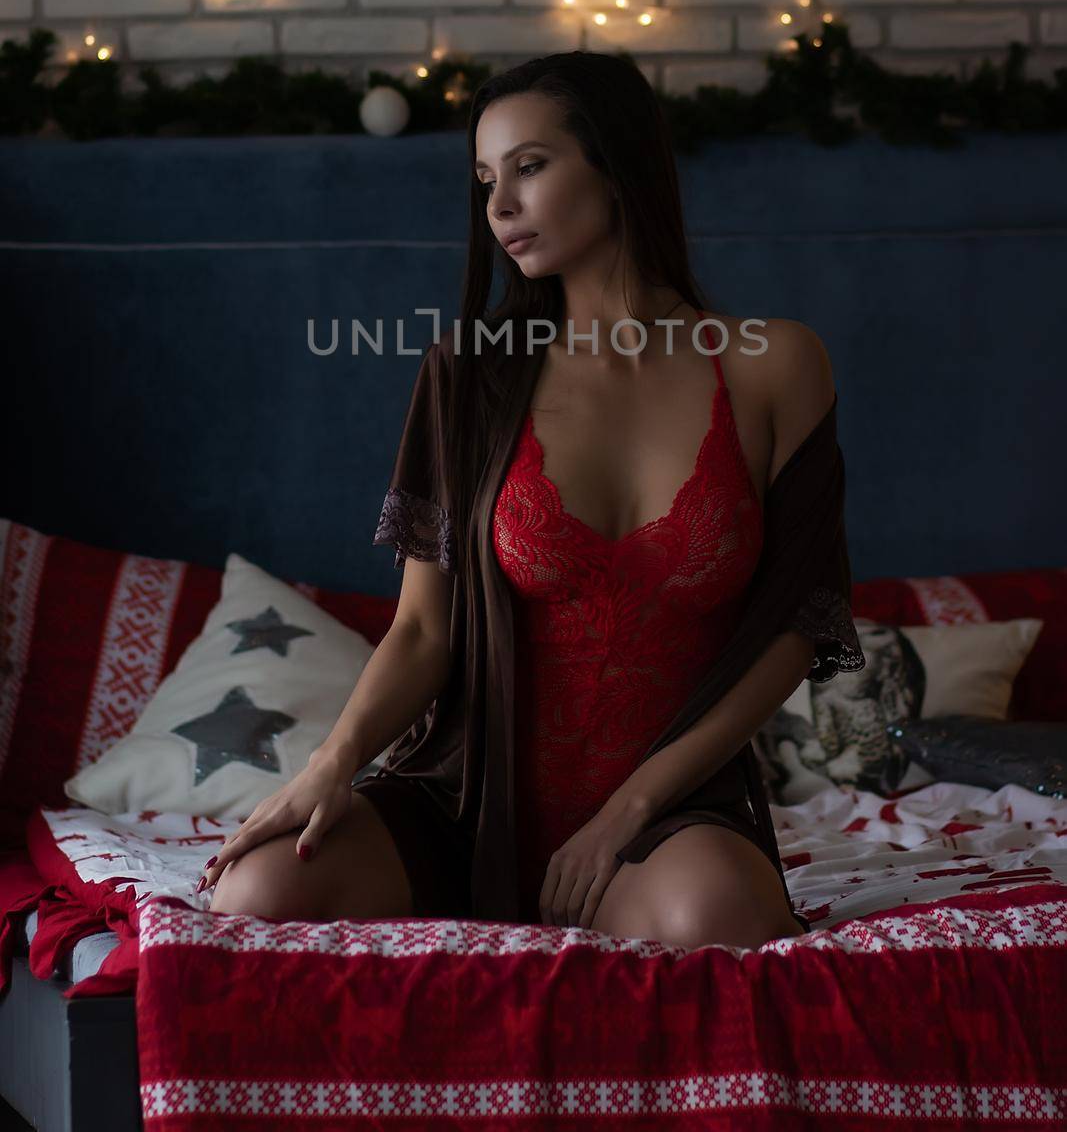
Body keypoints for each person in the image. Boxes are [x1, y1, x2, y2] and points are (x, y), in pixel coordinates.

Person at [203, 50, 865, 949]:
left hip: (660, 824)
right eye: (485, 179)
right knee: (256, 895)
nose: (499, 207)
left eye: (530, 166)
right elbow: (422, 631)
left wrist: (630, 807)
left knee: (719, 918)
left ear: (616, 161)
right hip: (461, 801)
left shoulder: (773, 364)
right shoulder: (468, 376)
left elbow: (798, 625)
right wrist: (330, 766)